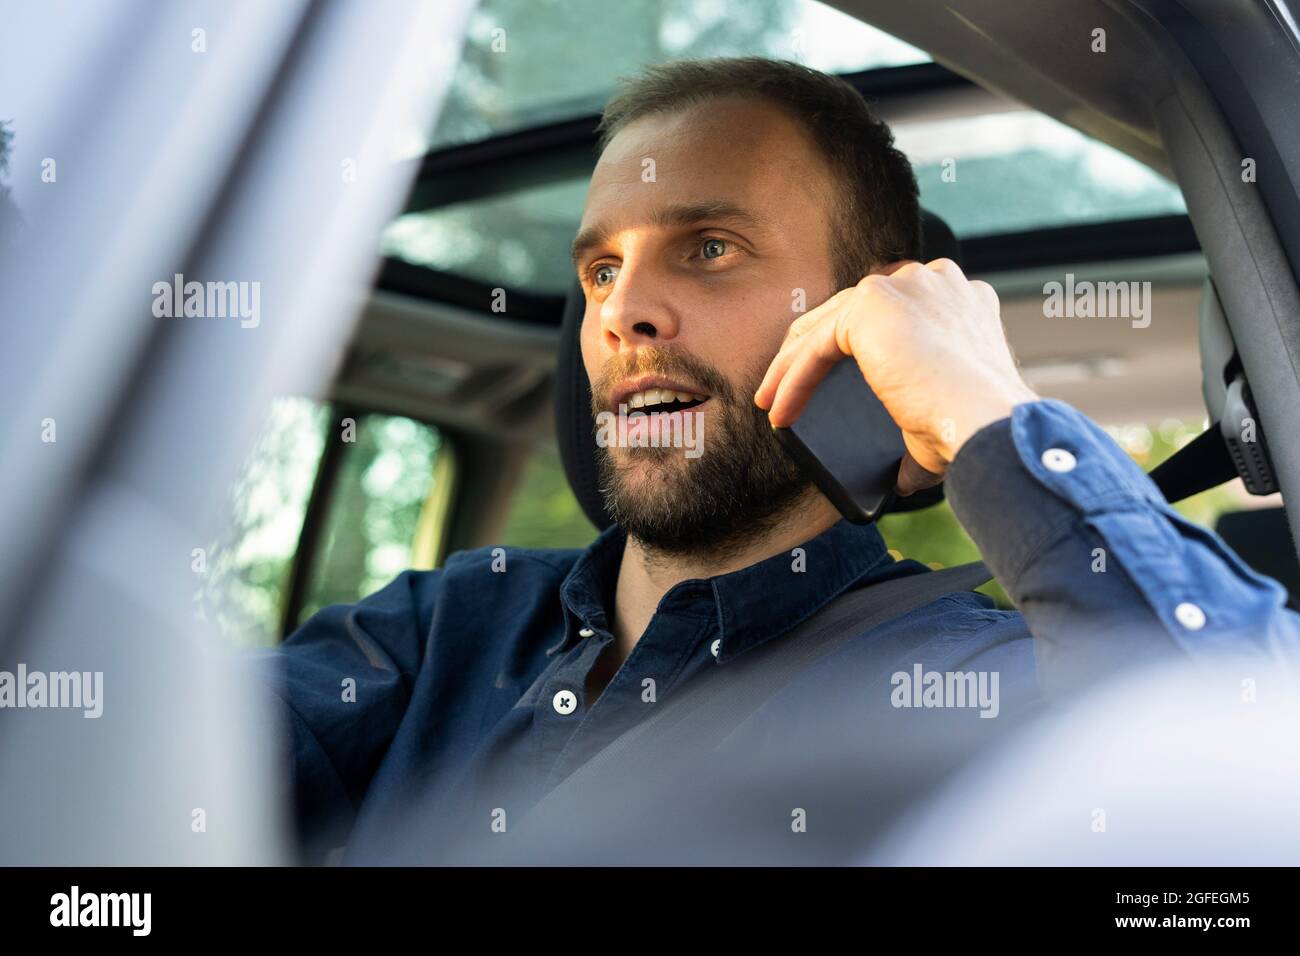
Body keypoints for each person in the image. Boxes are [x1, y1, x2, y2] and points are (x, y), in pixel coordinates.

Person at [250, 57, 1300, 862]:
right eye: (601, 267)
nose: (622, 312)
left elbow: (1249, 770)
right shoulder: (442, 624)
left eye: (708, 247)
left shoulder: (976, 676)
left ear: (864, 318)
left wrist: (984, 411)